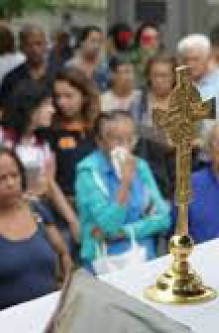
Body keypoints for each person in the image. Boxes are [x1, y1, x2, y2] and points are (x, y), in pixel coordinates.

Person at [75, 111, 171, 270]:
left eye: (131, 139)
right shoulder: (88, 172)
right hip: (105, 262)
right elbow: (109, 226)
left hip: (143, 256)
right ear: (100, 141)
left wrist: (125, 232)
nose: (126, 146)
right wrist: (125, 183)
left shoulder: (139, 166)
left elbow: (163, 219)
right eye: (118, 140)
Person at [1, 81, 80, 244]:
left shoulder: (43, 145)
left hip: (34, 213)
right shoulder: (3, 137)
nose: (53, 110)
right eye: (46, 105)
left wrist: (73, 221)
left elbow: (49, 185)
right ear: (30, 108)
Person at [0, 148, 72, 309]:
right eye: (1, 179)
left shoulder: (36, 210)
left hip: (50, 316)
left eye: (14, 175)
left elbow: (63, 253)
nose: (10, 183)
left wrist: (66, 291)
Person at [131, 54, 176, 200]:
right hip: (145, 164)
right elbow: (131, 129)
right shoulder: (138, 100)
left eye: (164, 76)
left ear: (174, 77)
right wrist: (160, 136)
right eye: (154, 75)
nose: (159, 80)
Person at [51, 67, 98, 198]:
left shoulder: (99, 125)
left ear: (84, 96)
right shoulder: (51, 130)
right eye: (57, 96)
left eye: (68, 96)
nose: (61, 102)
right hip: (66, 200)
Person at [177, 34, 219, 121]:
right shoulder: (179, 82)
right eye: (187, 60)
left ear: (209, 58)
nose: (190, 64)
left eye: (196, 59)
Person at [0, 24, 58, 115]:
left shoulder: (60, 74)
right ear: (21, 48)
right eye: (28, 45)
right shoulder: (11, 79)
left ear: (46, 45)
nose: (34, 49)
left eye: (38, 43)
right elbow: (5, 110)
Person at [66, 25, 109, 92]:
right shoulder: (70, 66)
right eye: (93, 41)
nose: (97, 46)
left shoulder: (105, 66)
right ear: (82, 42)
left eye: (100, 42)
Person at [131, 22, 162, 87]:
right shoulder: (130, 67)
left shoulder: (167, 65)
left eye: (156, 38)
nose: (153, 43)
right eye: (147, 39)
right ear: (139, 42)